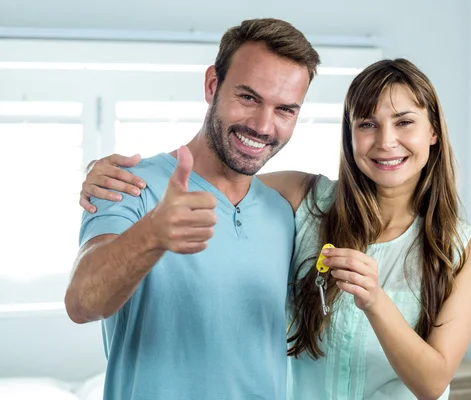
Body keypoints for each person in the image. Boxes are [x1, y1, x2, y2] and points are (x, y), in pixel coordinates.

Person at [80, 58, 471, 400]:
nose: (386, 141)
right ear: (349, 136)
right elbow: (219, 181)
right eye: (366, 124)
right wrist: (108, 172)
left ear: (433, 131)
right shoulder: (304, 197)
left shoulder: (468, 248)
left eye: (404, 122)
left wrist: (375, 301)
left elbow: (433, 382)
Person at [65, 18, 320, 400]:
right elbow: (83, 301)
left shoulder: (284, 209)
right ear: (212, 85)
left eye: (285, 109)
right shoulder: (128, 184)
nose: (263, 126)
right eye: (248, 98)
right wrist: (152, 235)